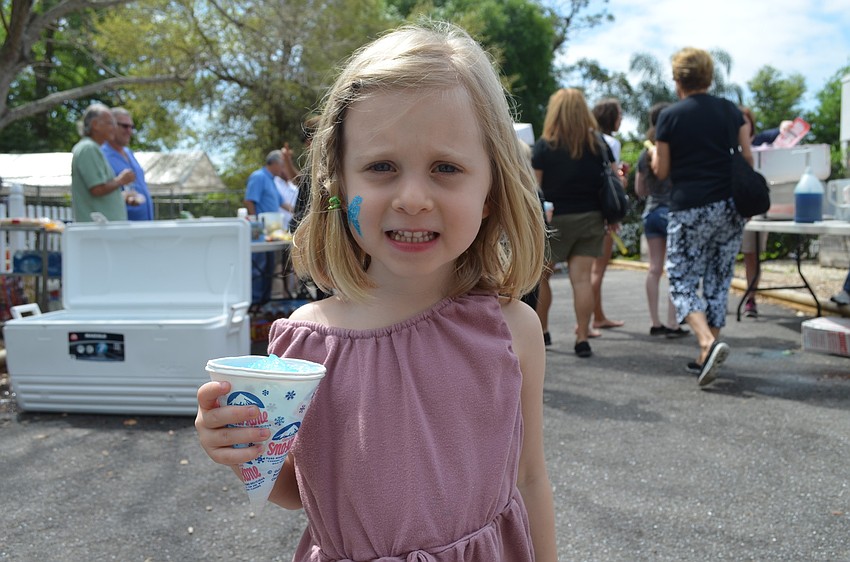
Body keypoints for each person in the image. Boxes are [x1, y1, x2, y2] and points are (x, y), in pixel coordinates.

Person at [196, 22, 556, 561]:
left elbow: (528, 476)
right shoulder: (301, 345)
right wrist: (243, 452)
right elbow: (302, 492)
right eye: (381, 167)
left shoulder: (510, 330)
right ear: (339, 187)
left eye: (446, 168)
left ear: (490, 191)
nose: (412, 197)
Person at [650, 47, 751, 386]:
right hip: (730, 207)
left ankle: (707, 341)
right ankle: (706, 355)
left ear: (678, 79)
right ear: (709, 76)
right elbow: (747, 158)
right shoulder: (731, 111)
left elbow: (662, 171)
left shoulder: (671, 116)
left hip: (690, 205)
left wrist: (654, 159)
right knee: (720, 278)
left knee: (680, 277)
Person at [531, 88, 611, 357]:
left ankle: (542, 333)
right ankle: (582, 338)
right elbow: (611, 181)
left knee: (542, 278)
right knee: (581, 280)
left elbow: (535, 188)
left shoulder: (544, 146)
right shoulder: (597, 144)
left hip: (554, 219)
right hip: (590, 217)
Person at [635, 102, 688, 338]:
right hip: (672, 211)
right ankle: (672, 324)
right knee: (674, 267)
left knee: (654, 268)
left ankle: (654, 322)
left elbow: (640, 189)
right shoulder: (676, 149)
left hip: (652, 213)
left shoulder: (644, 153)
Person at [589, 98, 626, 334]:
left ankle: (595, 316)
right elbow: (614, 180)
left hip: (587, 210)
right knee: (597, 269)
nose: (621, 118)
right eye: (619, 114)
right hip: (605, 212)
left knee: (588, 270)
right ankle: (595, 317)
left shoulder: (585, 138)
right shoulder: (610, 143)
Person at [70, 103, 135, 222]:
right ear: (95, 125)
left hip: (103, 232)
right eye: (110, 123)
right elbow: (97, 189)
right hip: (99, 232)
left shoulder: (93, 148)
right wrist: (121, 180)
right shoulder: (88, 149)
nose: (114, 128)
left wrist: (120, 197)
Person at [738, 106, 769, 317]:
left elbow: (781, 132)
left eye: (745, 120)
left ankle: (751, 298)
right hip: (732, 209)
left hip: (754, 209)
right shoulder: (726, 148)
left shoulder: (762, 144)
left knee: (752, 254)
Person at [245, 150, 286, 304]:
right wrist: (256, 225)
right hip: (260, 230)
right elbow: (249, 201)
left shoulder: (272, 181)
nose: (282, 169)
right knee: (259, 266)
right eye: (281, 165)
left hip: (271, 231)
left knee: (269, 267)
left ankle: (265, 300)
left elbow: (282, 203)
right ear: (274, 163)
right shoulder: (259, 177)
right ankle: (256, 301)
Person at [101, 107, 154, 221]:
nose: (129, 131)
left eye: (132, 127)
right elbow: (97, 192)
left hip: (144, 225)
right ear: (111, 126)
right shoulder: (101, 155)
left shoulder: (129, 153)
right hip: (122, 228)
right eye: (125, 126)